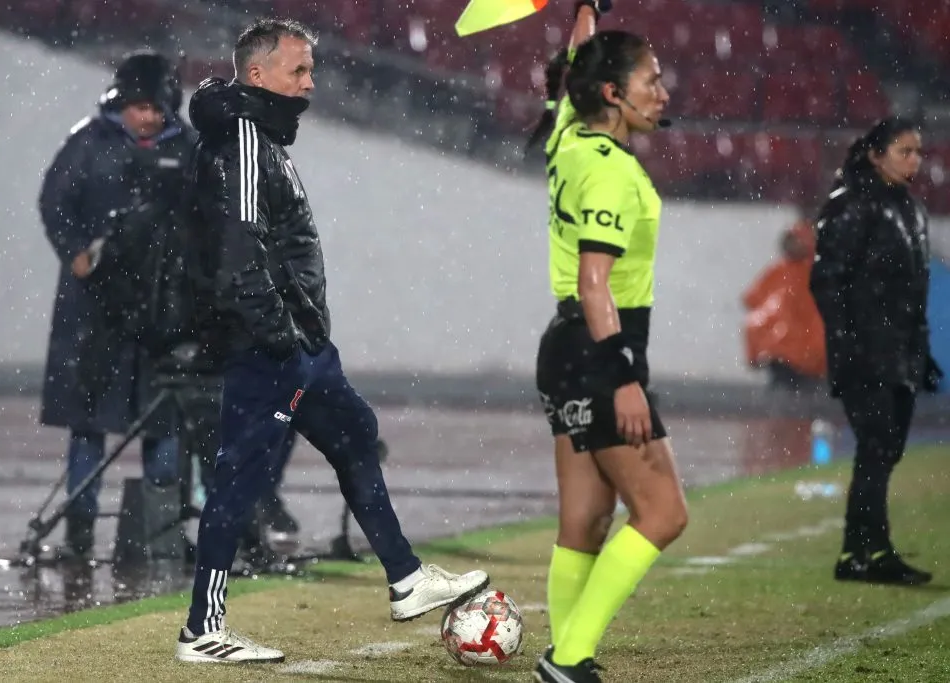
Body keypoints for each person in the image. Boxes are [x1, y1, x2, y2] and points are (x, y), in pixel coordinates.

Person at [173, 18, 489, 663]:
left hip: (302, 343)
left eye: (310, 70)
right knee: (240, 477)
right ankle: (202, 630)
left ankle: (406, 578)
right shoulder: (243, 138)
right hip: (273, 346)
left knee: (354, 434)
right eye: (298, 70)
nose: (310, 83)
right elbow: (240, 256)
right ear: (256, 74)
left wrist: (304, 338)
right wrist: (281, 339)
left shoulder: (261, 135)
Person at [528, 2, 688, 681]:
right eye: (652, 79)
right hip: (600, 348)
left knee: (585, 522)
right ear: (614, 94)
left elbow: (577, 69)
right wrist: (624, 376)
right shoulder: (611, 172)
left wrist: (586, 9)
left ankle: (566, 656)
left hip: (564, 347)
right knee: (664, 512)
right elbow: (595, 281)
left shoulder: (570, 134)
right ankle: (568, 659)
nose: (664, 92)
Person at [39, 50, 196, 560]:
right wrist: (76, 252)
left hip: (162, 310)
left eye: (156, 108)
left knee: (163, 420)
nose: (147, 117)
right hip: (95, 309)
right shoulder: (88, 142)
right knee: (89, 423)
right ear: (121, 102)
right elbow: (55, 201)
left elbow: (209, 215)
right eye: (139, 106)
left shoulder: (189, 148)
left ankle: (163, 534)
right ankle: (79, 536)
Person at [810, 117, 943, 586]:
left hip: (899, 351)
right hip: (867, 352)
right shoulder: (852, 204)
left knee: (885, 450)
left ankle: (858, 551)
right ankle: (869, 551)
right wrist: (849, 344)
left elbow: (913, 290)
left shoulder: (908, 208)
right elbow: (827, 281)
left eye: (918, 152)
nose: (915, 161)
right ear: (875, 154)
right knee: (876, 446)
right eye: (905, 151)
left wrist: (920, 352)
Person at [742, 219, 827, 392]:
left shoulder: (813, 271)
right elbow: (752, 299)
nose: (793, 246)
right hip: (782, 347)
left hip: (804, 343)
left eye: (797, 241)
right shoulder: (780, 269)